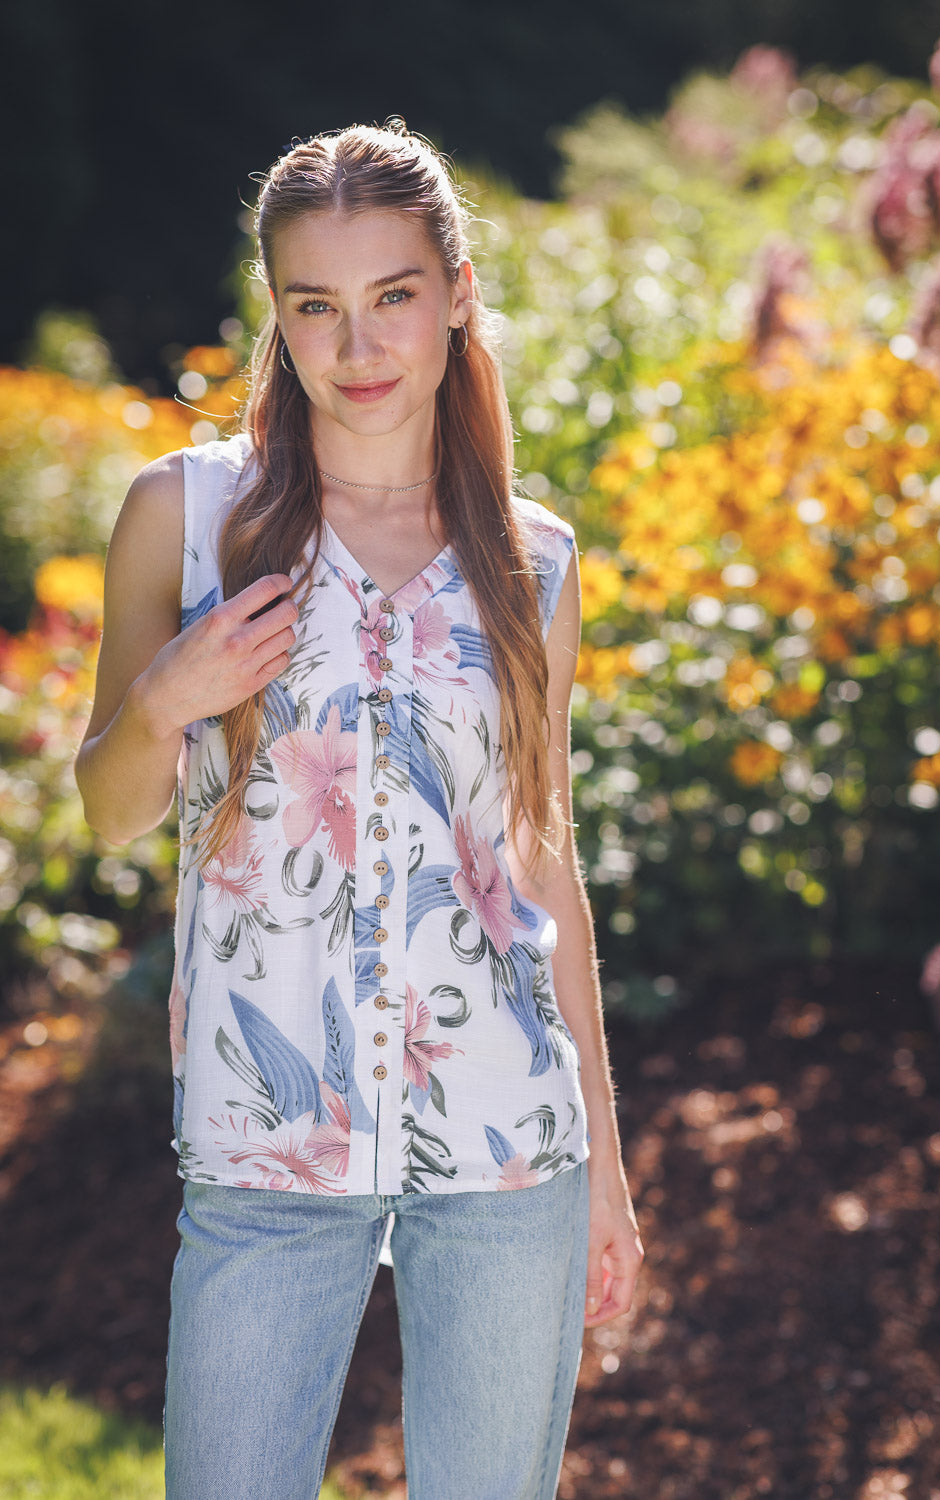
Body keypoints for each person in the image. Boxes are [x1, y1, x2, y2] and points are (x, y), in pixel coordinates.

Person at [75, 120, 643, 1500]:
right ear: (279, 316)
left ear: (455, 292)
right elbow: (109, 813)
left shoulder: (533, 558)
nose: (359, 346)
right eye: (315, 307)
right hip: (267, 1146)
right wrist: (167, 699)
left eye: (393, 295)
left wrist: (610, 1170)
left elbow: (542, 855)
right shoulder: (188, 516)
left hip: (511, 1145)